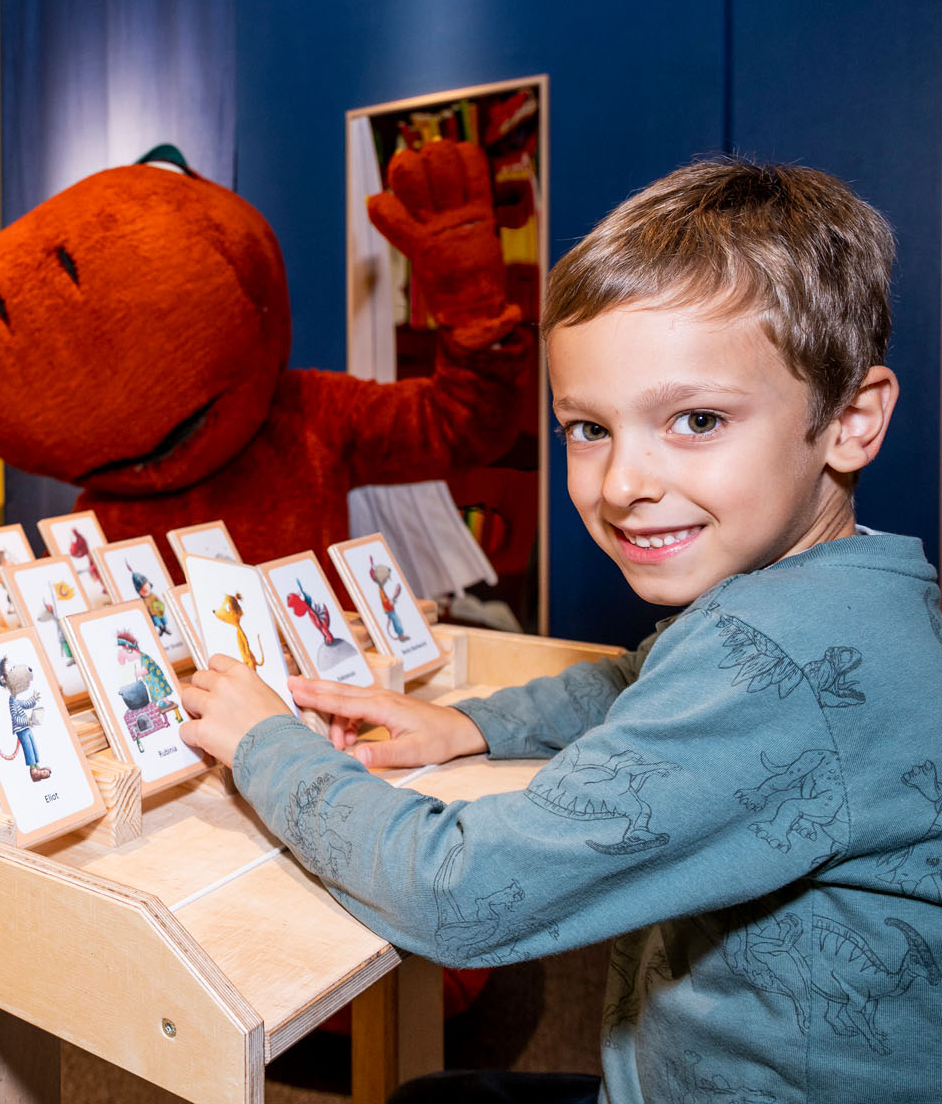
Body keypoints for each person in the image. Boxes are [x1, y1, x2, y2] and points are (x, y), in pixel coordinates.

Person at [179, 158, 941, 1103]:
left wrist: (266, 742)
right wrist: (470, 724)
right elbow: (644, 676)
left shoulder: (774, 659)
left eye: (698, 419)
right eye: (588, 428)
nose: (623, 483)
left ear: (852, 420)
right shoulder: (851, 593)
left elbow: (457, 892)